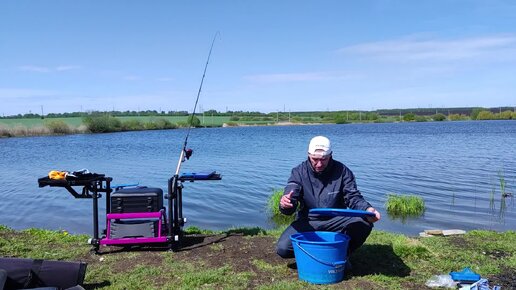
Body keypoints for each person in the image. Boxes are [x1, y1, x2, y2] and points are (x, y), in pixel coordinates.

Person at [276, 135, 381, 260]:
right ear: (308, 154)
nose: (319, 164)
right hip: (308, 221)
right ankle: (319, 253)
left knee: (364, 223)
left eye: (324, 159)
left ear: (330, 155)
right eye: (315, 159)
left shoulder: (343, 171)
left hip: (337, 220)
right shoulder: (298, 172)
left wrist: (367, 209)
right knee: (283, 248)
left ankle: (340, 255)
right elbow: (291, 196)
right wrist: (286, 204)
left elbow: (353, 197)